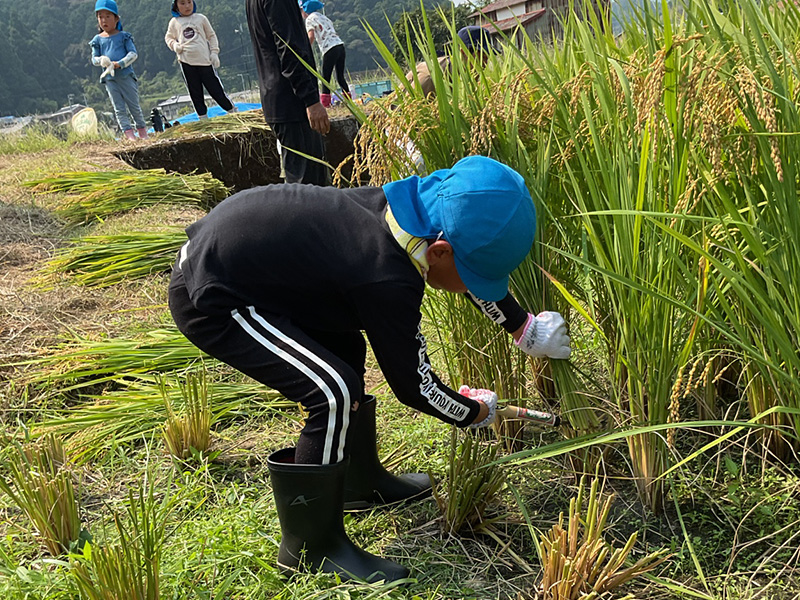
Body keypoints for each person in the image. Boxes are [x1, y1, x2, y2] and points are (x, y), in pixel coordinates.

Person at [168, 155, 570, 582]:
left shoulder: (407, 213)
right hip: (216, 296)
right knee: (331, 390)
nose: (476, 289)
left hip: (262, 271)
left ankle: (359, 483)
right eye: (477, 278)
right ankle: (310, 547)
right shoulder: (386, 278)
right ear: (439, 251)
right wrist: (475, 413)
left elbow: (459, 256)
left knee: (345, 349)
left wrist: (521, 325)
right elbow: (413, 386)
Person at [246, 0, 330, 186]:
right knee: (308, 187)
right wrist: (310, 100)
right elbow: (289, 49)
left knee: (300, 185)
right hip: (292, 100)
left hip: (277, 98)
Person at [164, 0, 237, 120]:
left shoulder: (201, 18)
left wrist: (214, 52)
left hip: (205, 61)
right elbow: (168, 37)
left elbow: (211, 36)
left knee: (216, 89)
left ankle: (233, 111)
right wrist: (175, 45)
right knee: (195, 92)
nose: (187, 6)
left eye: (189, 2)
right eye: (182, 3)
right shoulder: (174, 22)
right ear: (176, 6)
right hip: (186, 62)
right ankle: (203, 118)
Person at [89, 0, 148, 140]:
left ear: (116, 18)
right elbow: (94, 59)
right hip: (110, 79)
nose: (104, 20)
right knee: (119, 108)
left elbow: (133, 54)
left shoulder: (124, 36)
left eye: (108, 16)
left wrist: (119, 64)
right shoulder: (97, 40)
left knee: (134, 106)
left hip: (126, 76)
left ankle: (142, 132)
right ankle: (128, 134)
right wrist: (102, 60)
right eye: (100, 17)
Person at [299, 0, 350, 108]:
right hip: (340, 46)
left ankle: (326, 104)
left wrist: (306, 50)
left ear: (305, 10)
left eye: (301, 10)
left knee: (325, 78)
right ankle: (348, 100)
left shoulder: (309, 19)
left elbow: (311, 36)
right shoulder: (324, 17)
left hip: (329, 49)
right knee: (340, 76)